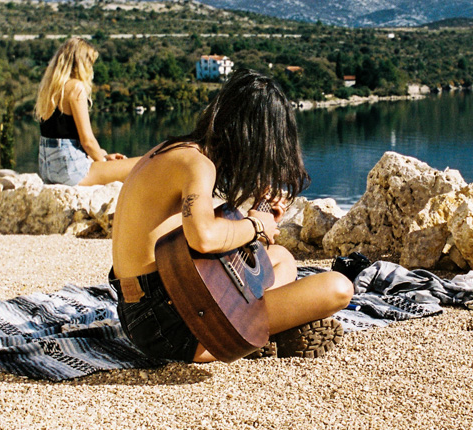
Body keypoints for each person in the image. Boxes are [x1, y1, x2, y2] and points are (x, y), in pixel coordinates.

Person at [109, 69, 353, 361]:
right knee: (338, 287)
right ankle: (258, 335)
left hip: (138, 311)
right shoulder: (198, 164)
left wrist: (257, 216)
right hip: (171, 327)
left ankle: (262, 333)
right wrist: (254, 224)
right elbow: (203, 237)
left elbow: (186, 233)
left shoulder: (172, 150)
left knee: (281, 258)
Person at [34, 37, 139, 186]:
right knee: (144, 164)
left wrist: (104, 155)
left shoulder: (49, 89)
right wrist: (103, 163)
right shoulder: (76, 88)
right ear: (82, 63)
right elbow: (87, 141)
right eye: (90, 62)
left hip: (48, 171)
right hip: (71, 172)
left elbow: (67, 140)